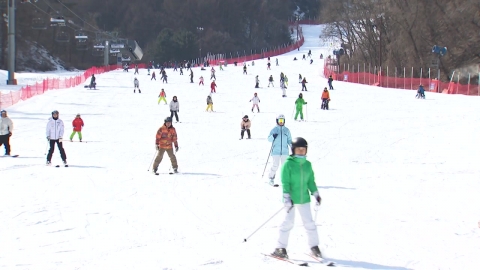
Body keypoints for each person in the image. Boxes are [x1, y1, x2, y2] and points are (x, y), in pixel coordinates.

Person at [271, 137, 322, 259]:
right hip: (291, 200)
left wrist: (315, 194)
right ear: (293, 150)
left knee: (309, 223)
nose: (301, 152)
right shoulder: (288, 164)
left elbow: (310, 181)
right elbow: (285, 182)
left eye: (303, 150)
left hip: (304, 198)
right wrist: (287, 197)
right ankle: (280, 248)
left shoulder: (308, 165)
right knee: (288, 223)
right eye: (298, 150)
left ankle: (314, 247)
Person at [267, 114, 292, 185]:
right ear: (277, 121)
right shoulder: (274, 130)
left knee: (285, 166)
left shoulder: (286, 130)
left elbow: (289, 140)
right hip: (276, 151)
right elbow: (269, 139)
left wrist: (292, 146)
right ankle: (271, 179)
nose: (281, 122)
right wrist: (273, 136)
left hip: (285, 151)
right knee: (275, 165)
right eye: (280, 120)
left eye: (282, 120)